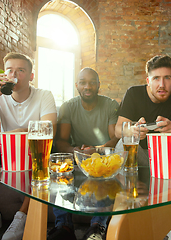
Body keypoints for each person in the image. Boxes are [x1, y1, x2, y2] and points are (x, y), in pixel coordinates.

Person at [0, 53, 57, 240]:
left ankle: (22, 215)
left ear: (31, 76)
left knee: (46, 148)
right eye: (10, 70)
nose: (15, 75)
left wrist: (20, 130)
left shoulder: (44, 95)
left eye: (21, 70)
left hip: (32, 150)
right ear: (4, 74)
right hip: (8, 153)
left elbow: (49, 128)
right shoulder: (0, 98)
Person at [114, 55, 171, 240]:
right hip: (139, 154)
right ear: (148, 81)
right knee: (121, 144)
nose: (162, 84)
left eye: (167, 78)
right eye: (156, 78)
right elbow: (118, 130)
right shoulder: (133, 93)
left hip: (167, 157)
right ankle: (129, 212)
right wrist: (132, 130)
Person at [48, 67, 119, 240]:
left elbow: (115, 139)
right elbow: (61, 141)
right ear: (76, 85)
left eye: (92, 82)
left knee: (105, 174)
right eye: (83, 83)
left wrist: (96, 150)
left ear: (98, 85)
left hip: (103, 158)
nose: (87, 86)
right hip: (76, 157)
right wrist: (75, 151)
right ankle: (63, 226)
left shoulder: (110, 105)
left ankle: (97, 227)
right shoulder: (68, 107)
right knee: (61, 171)